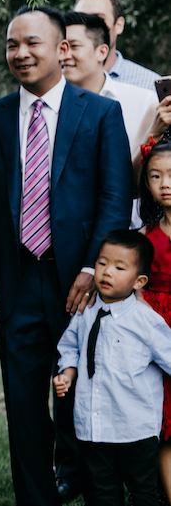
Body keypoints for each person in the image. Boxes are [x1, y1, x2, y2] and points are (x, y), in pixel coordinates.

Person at [0, 5, 131, 506]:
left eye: (32, 43)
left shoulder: (100, 113)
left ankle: (95, 491)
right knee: (22, 403)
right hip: (15, 279)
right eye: (12, 45)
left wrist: (90, 269)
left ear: (61, 49)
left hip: (78, 283)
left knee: (83, 398)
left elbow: (114, 198)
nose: (20, 54)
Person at [53, 230, 171, 506]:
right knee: (101, 493)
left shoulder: (146, 321)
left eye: (119, 267)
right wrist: (68, 372)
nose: (107, 272)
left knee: (143, 492)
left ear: (139, 280)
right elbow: (70, 346)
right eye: (102, 263)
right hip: (93, 428)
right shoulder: (86, 311)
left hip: (134, 429)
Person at [63, 11, 157, 154]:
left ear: (102, 52)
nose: (65, 55)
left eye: (74, 46)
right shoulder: (49, 105)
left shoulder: (144, 102)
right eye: (61, 48)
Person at [138, 137, 171, 499]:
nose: (165, 184)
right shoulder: (143, 240)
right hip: (157, 336)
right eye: (156, 176)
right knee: (166, 424)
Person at [73, 0, 160, 91]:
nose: (87, 27)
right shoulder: (57, 81)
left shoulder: (148, 85)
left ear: (119, 25)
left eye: (98, 19)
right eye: (80, 19)